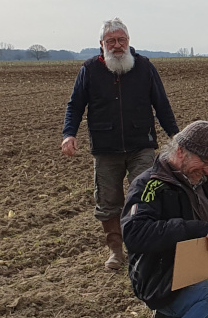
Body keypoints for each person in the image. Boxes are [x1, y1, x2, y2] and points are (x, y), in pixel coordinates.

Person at [61, 17, 179, 270]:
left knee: (146, 196)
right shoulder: (90, 70)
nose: (117, 45)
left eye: (121, 40)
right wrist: (69, 134)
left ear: (129, 41)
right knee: (108, 201)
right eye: (111, 41)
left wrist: (176, 137)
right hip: (106, 148)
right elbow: (75, 106)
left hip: (142, 145)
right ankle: (116, 250)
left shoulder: (144, 67)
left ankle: (144, 249)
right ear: (101, 44)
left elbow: (162, 105)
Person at [121, 121, 208, 317]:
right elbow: (134, 233)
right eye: (205, 162)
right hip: (165, 282)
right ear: (180, 151)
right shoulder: (149, 186)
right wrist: (198, 229)